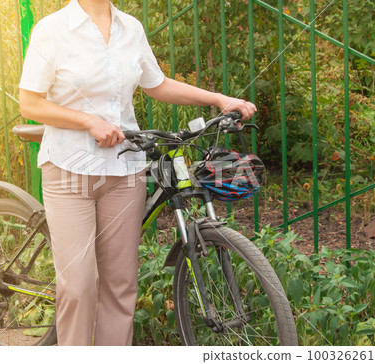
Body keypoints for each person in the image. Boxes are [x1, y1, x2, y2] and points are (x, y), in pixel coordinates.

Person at [19, 0, 256, 346]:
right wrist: (88, 121)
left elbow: (156, 84)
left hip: (124, 169)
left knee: (120, 286)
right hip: (70, 170)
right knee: (79, 285)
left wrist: (218, 99)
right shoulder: (52, 30)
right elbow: (30, 103)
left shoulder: (130, 28)